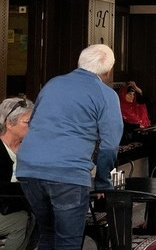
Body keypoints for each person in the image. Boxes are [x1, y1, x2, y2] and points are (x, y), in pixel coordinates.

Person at [17, 44, 123, 249]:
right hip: (68, 172)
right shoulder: (106, 94)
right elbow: (109, 146)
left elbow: (35, 122)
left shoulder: (53, 84)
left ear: (79, 63)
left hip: (29, 168)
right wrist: (103, 181)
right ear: (108, 72)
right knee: (69, 241)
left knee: (47, 234)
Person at [0, 97, 35, 249]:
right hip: (6, 208)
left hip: (22, 205)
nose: (32, 126)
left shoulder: (30, 149)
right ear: (9, 123)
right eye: (27, 122)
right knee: (21, 221)